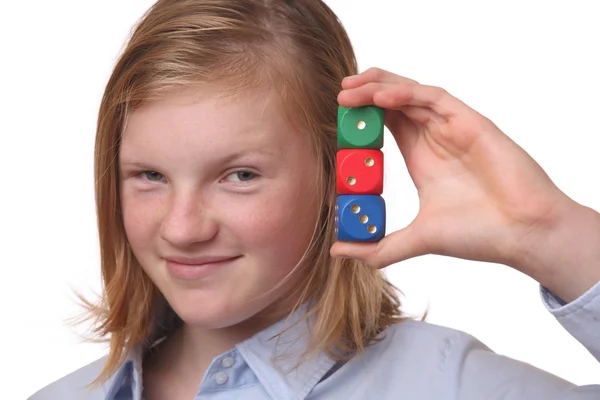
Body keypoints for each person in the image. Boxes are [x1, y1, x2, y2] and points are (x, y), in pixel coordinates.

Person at [29, 0, 600, 399]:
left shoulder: (450, 385)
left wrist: (546, 231)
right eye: (150, 175)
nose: (182, 228)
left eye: (241, 175)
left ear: (338, 176)